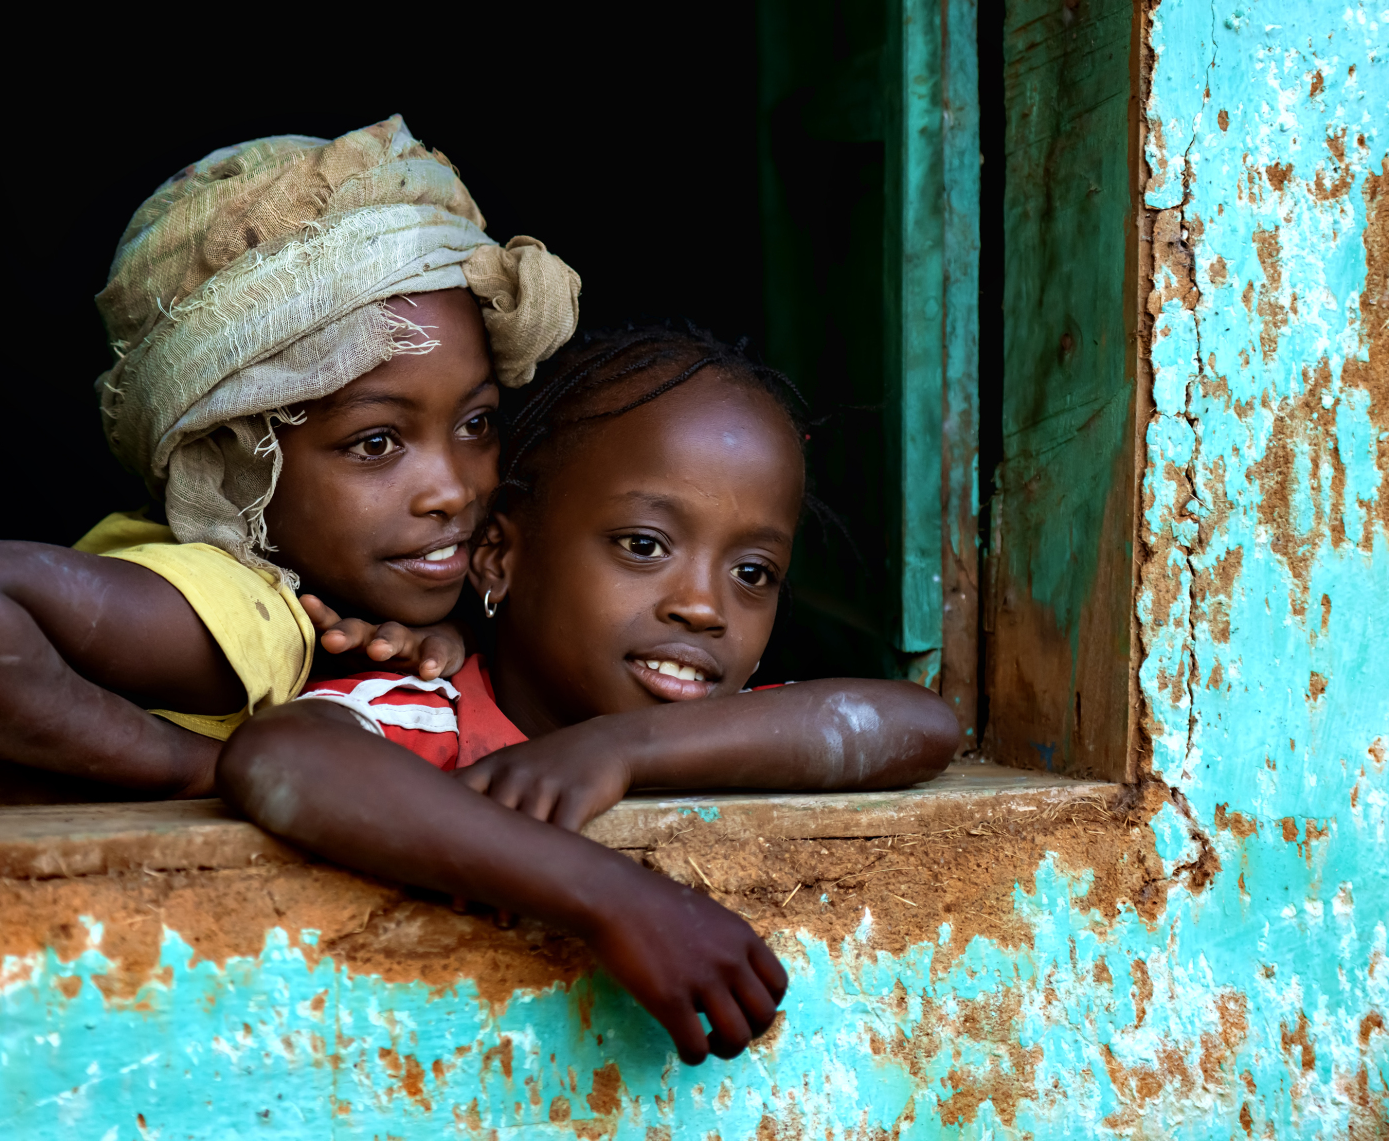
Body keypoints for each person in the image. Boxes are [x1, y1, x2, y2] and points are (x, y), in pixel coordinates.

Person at [216, 325, 961, 1063]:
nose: (704, 606)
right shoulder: (431, 715)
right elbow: (280, 752)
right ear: (500, 555)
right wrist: (616, 899)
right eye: (643, 545)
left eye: (753, 573)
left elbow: (920, 723)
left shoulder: (733, 734)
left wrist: (623, 748)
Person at [0, 117, 580, 806]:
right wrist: (209, 773)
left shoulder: (328, 612)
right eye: (375, 442)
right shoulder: (221, 604)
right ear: (232, 461)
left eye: (477, 422)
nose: (453, 488)